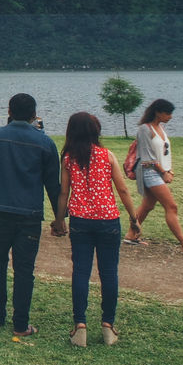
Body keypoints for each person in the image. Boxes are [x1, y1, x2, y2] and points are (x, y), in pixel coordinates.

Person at [0, 93, 60, 337]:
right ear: (34, 115)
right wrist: (59, 218)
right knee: (24, 269)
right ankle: (21, 324)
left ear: (9, 111)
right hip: (29, 215)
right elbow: (54, 186)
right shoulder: (46, 143)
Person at [51, 112, 139, 347]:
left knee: (81, 272)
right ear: (95, 130)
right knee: (109, 273)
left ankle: (80, 325)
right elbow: (122, 190)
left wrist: (59, 221)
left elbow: (63, 193)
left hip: (80, 221)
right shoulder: (107, 155)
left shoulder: (68, 158)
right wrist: (133, 217)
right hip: (108, 220)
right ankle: (108, 325)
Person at [125, 99, 183, 256]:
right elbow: (147, 157)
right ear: (158, 112)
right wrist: (163, 172)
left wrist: (169, 170)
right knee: (171, 206)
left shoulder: (159, 128)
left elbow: (162, 152)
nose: (170, 116)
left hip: (159, 172)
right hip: (149, 172)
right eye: (168, 113)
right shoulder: (144, 129)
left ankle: (130, 234)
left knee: (148, 205)